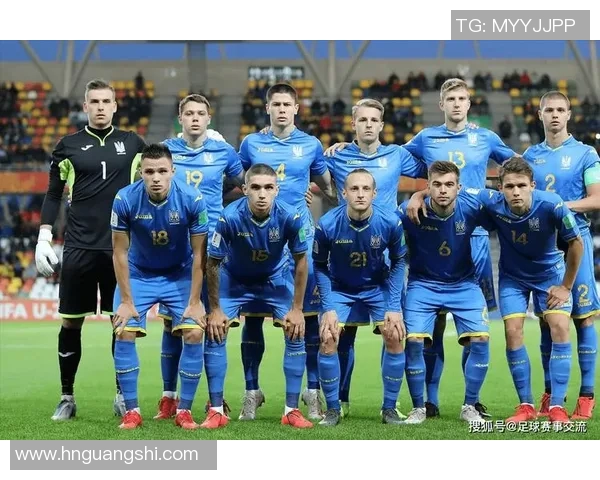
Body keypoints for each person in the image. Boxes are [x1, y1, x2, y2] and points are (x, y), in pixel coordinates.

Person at [401, 78, 515, 417]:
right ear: (442, 104)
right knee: (431, 328)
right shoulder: (426, 138)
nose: (456, 104)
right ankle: (430, 401)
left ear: (469, 103)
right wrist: (419, 192)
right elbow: (393, 161)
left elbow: (516, 166)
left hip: (474, 238)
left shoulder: (486, 138)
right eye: (450, 99)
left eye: (461, 98)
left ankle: (471, 400)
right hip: (437, 231)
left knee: (474, 328)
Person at [36, 79, 147, 421]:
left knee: (122, 325)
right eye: (94, 102)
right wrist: (43, 236)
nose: (100, 107)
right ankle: (66, 397)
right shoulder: (67, 146)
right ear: (85, 106)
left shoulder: (133, 143)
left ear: (115, 106)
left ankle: (122, 395)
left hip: (120, 249)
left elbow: (161, 169)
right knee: (71, 324)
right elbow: (54, 194)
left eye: (106, 101)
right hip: (79, 247)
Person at [321, 98, 426, 418]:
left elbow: (435, 173)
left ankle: (389, 406)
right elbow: (310, 174)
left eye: (373, 120)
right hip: (344, 255)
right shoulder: (337, 156)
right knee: (340, 336)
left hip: (384, 258)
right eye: (362, 120)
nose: (368, 125)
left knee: (393, 331)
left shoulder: (397, 154)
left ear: (381, 125)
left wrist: (419, 193)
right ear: (353, 124)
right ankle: (338, 403)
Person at [236, 83, 336, 421]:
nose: (281, 109)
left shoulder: (310, 145)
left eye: (286, 104)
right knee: (253, 317)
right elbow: (238, 182)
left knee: (306, 319)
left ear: (296, 108)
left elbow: (330, 189)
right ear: (267, 108)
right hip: (261, 243)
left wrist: (315, 191)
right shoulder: (251, 144)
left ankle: (311, 392)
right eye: (276, 104)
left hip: (300, 242)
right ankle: (252, 391)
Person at [471, 157, 583, 424]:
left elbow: (576, 243)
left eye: (521, 185)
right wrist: (418, 195)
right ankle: (526, 406)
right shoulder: (491, 202)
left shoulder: (552, 204)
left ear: (532, 185)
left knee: (560, 328)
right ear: (500, 188)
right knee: (512, 332)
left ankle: (557, 407)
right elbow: (454, 189)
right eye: (509, 186)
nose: (516, 192)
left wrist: (566, 286)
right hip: (513, 278)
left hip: (550, 276)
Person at [153, 93, 244, 420]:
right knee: (172, 325)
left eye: (200, 113)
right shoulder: (166, 150)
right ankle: (169, 397)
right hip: (177, 248)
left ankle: (215, 401)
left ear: (209, 118)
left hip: (215, 248)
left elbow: (245, 184)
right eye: (189, 113)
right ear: (180, 118)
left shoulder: (224, 151)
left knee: (217, 324)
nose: (194, 118)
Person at [202, 163, 312, 429]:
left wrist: (297, 309)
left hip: (274, 280)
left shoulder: (291, 216)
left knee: (296, 330)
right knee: (215, 331)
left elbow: (301, 261)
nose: (262, 194)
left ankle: (291, 410)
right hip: (235, 280)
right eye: (256, 187)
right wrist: (215, 309)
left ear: (277, 190)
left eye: (268, 187)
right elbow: (212, 263)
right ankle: (216, 410)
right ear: (244, 190)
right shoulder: (229, 217)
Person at [110, 143, 209, 430]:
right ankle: (132, 411)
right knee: (123, 331)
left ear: (173, 171)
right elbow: (119, 252)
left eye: (162, 171)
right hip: (139, 274)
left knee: (193, 332)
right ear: (140, 172)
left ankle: (184, 411)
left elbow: (200, 255)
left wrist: (195, 301)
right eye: (149, 171)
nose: (156, 177)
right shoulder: (125, 198)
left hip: (179, 274)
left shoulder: (192, 198)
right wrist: (126, 301)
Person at [523, 90, 600, 419]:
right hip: (542, 246)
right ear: (539, 115)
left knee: (584, 319)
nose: (554, 115)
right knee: (547, 322)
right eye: (548, 110)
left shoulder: (585, 154)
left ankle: (586, 395)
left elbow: (596, 199)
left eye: (560, 110)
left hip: (574, 242)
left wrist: (557, 205)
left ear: (568, 115)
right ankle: (550, 394)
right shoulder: (530, 155)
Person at [397, 161, 491, 425]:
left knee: (481, 339)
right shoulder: (410, 210)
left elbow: (505, 209)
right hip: (423, 284)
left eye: (449, 184)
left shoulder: (471, 206)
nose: (443, 190)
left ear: (459, 187)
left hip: (464, 283)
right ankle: (419, 407)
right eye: (436, 184)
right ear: (428, 187)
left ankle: (470, 405)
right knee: (414, 342)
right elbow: (382, 228)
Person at [313, 168, 408, 426]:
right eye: (354, 188)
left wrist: (393, 306)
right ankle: (333, 409)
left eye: (366, 189)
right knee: (328, 338)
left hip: (377, 286)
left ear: (375, 193)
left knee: (394, 334)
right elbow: (319, 265)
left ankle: (389, 408)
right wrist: (328, 307)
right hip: (340, 288)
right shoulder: (327, 224)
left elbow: (399, 262)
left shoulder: (390, 222)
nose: (360, 194)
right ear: (344, 193)